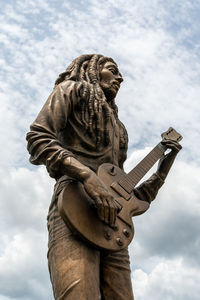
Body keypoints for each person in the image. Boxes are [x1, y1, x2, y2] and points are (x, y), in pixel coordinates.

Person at [26, 54, 181, 300]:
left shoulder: (120, 130)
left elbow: (132, 198)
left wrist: (165, 164)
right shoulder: (71, 90)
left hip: (113, 229)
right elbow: (38, 137)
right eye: (112, 70)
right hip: (74, 207)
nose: (120, 77)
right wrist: (86, 176)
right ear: (91, 70)